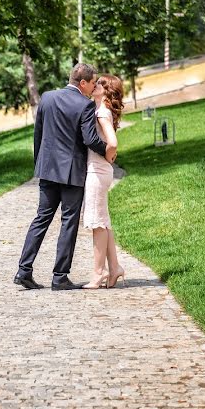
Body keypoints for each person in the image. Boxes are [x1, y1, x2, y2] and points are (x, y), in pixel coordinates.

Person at [14, 63, 117, 291]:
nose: (94, 87)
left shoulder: (47, 97)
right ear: (83, 83)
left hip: (47, 169)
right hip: (71, 172)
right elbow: (90, 140)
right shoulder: (85, 105)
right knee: (68, 222)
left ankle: (24, 269)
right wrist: (108, 152)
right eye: (92, 83)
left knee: (41, 218)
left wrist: (38, 164)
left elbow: (38, 135)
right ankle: (60, 277)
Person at [83, 74, 126, 289]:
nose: (94, 84)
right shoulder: (101, 109)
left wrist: (109, 156)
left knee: (97, 224)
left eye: (98, 83)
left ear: (106, 89)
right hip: (101, 171)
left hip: (98, 172)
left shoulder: (101, 112)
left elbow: (113, 142)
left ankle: (98, 273)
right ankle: (115, 267)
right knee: (104, 222)